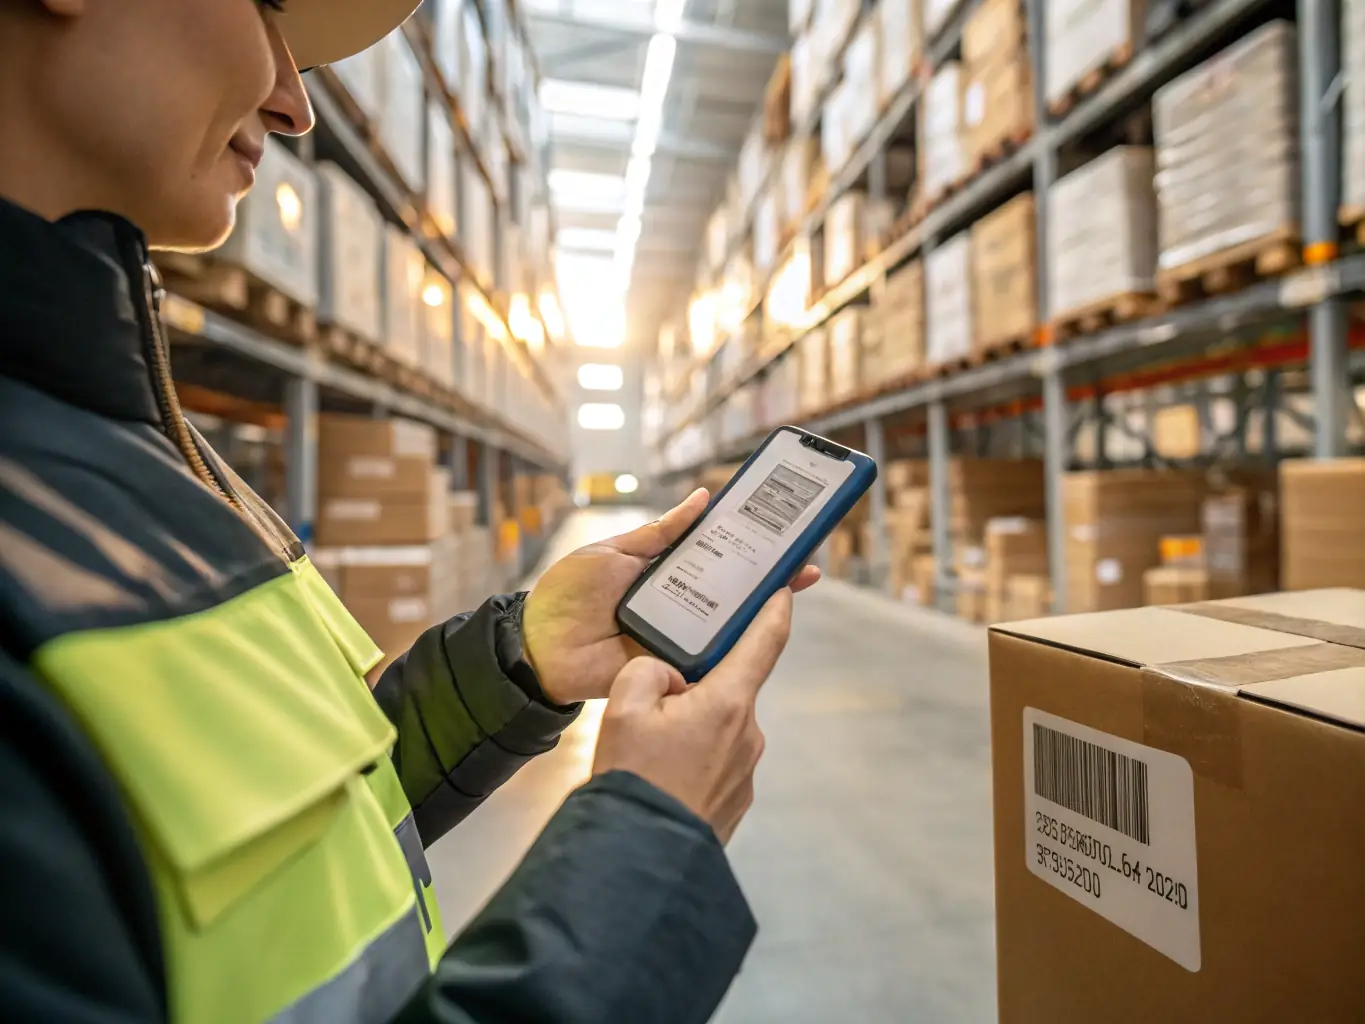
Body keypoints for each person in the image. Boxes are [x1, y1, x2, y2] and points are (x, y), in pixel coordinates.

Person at [0, 1, 821, 1021]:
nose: (296, 104)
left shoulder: (140, 442)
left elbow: (299, 806)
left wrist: (518, 659)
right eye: (268, 6)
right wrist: (644, 854)